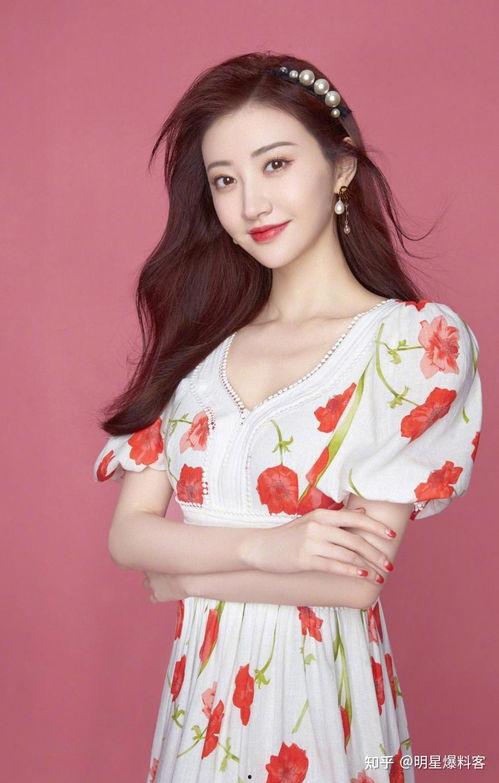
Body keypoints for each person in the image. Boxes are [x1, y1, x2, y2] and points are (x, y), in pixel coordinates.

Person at [93, 52, 483, 783]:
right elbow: (128, 535)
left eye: (275, 164)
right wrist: (267, 548)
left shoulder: (409, 343)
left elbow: (354, 583)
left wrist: (183, 578)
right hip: (202, 706)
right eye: (225, 180)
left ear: (341, 168)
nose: (251, 204)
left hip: (324, 698)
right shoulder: (196, 350)